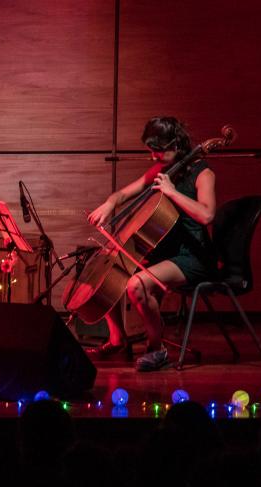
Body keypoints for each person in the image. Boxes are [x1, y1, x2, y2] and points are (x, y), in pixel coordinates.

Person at [86, 117, 217, 371]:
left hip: (194, 256)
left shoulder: (204, 174)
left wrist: (172, 193)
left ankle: (157, 349)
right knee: (108, 273)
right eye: (151, 151)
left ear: (176, 145)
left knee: (136, 284)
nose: (153, 156)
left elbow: (207, 215)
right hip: (166, 252)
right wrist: (110, 203)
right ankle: (117, 340)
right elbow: (124, 193)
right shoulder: (163, 169)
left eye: (158, 150)